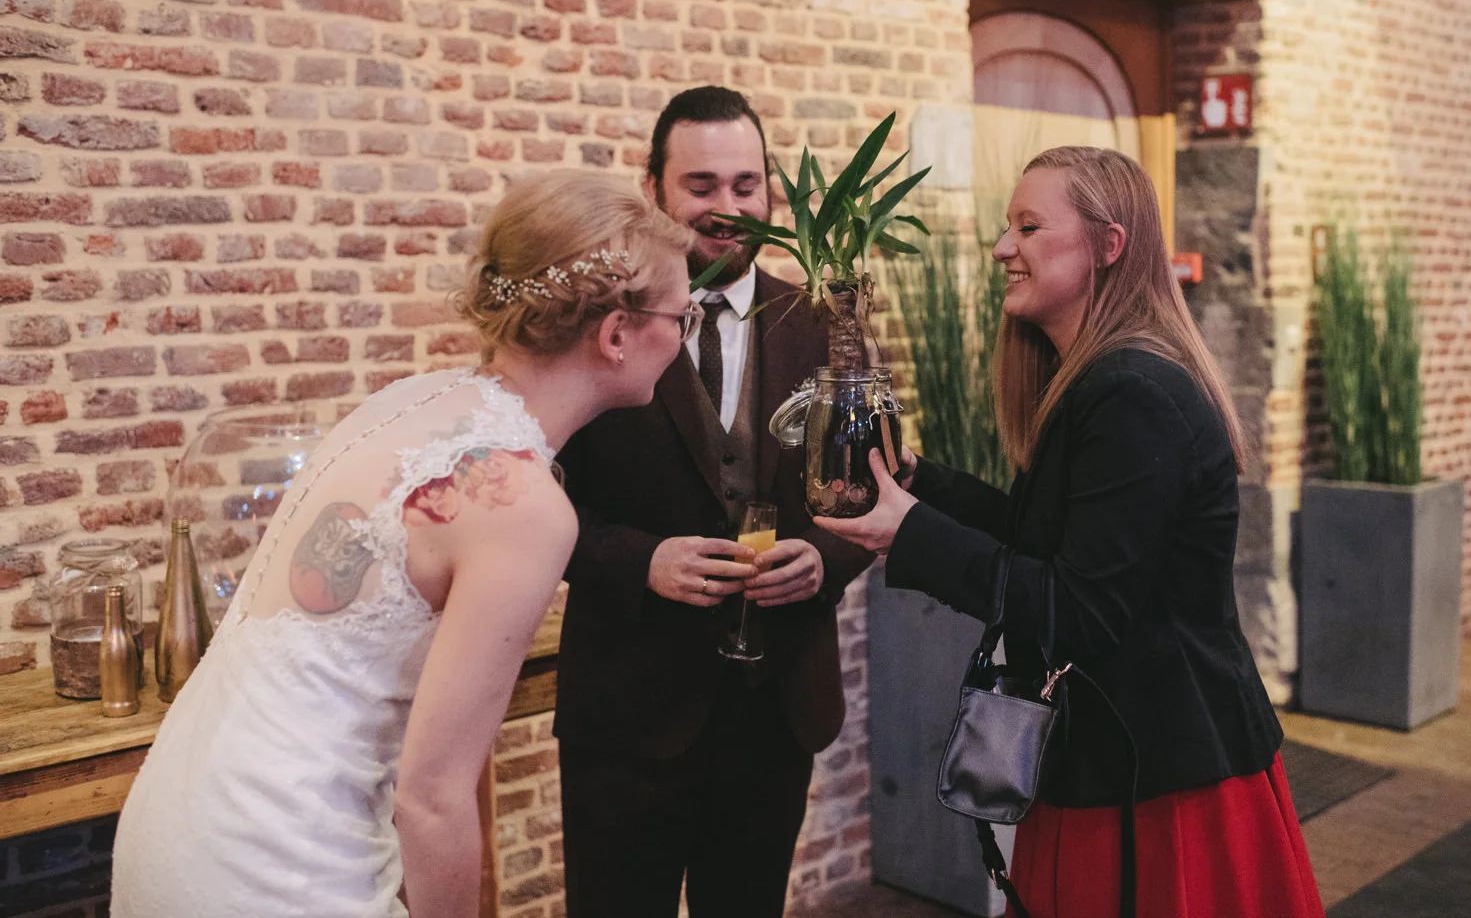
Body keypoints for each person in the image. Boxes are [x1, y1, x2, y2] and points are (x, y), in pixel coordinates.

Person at [110, 169, 697, 918]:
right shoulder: (525, 505)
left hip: (177, 814)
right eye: (682, 316)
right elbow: (433, 797)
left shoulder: (407, 400)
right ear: (616, 334)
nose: (683, 337)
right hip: (279, 857)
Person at [817, 147, 1324, 918]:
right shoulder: (1098, 378)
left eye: (1029, 226)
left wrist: (910, 534)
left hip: (1159, 779)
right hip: (1110, 758)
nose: (1002, 248)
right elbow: (1048, 543)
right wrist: (921, 483)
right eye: (1007, 226)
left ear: (1108, 245)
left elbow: (1078, 607)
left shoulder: (1133, 391)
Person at [553, 86, 874, 917]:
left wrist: (823, 559)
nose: (727, 207)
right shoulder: (592, 324)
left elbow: (870, 491)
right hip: (627, 715)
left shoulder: (824, 326)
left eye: (745, 184)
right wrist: (642, 561)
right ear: (653, 188)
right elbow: (534, 504)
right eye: (701, 186)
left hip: (776, 713)